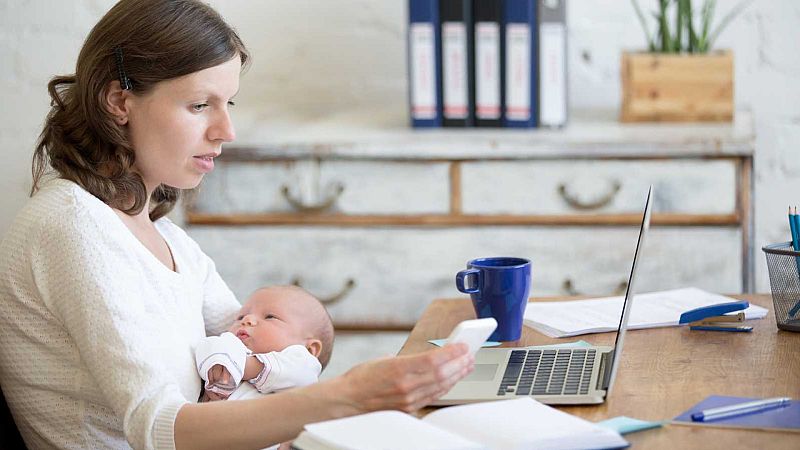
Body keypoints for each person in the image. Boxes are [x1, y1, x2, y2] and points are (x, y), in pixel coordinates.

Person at [0, 1, 474, 449]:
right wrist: (348, 396)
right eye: (200, 105)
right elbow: (160, 428)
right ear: (119, 102)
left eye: (228, 103)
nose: (227, 131)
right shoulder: (70, 225)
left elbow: (263, 354)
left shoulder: (171, 244)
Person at [197, 285, 334, 402]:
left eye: (270, 317)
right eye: (240, 317)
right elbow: (208, 348)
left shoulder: (303, 364)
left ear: (310, 350)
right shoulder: (229, 344)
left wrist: (242, 365)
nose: (247, 319)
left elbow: (304, 375)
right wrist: (219, 363)